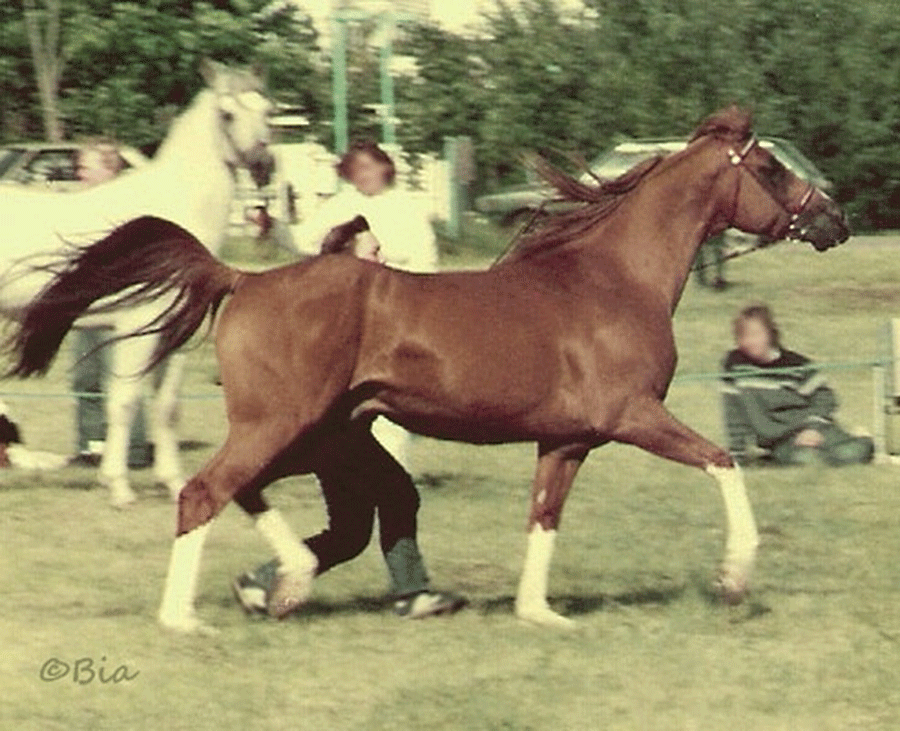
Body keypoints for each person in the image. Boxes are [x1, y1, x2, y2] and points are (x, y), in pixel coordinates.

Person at [232, 212, 464, 620]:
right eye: (374, 252)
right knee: (396, 493)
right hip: (335, 432)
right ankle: (411, 593)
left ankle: (261, 584)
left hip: (345, 431)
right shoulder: (340, 310)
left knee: (350, 535)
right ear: (349, 263)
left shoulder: (372, 307)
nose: (383, 259)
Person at [71, 141, 151, 468]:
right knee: (85, 378)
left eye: (86, 168)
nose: (80, 174)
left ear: (108, 170)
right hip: (85, 306)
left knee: (123, 377)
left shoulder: (128, 206)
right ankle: (91, 447)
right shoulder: (78, 205)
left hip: (120, 306)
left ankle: (132, 451)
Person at [722, 304, 874, 466]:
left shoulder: (797, 365)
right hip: (781, 441)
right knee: (809, 461)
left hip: (816, 430)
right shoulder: (735, 365)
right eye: (742, 336)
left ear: (770, 333)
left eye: (755, 334)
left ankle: (861, 440)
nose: (749, 341)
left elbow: (825, 399)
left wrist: (813, 428)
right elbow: (733, 414)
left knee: (854, 453)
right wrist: (737, 456)